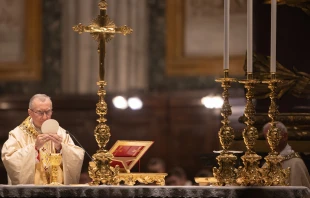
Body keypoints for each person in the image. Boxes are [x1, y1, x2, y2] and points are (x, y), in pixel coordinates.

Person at [1, 94, 85, 185]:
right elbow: (9, 159)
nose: (45, 117)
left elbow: (76, 157)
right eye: (40, 112)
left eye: (48, 112)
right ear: (30, 112)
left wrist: (60, 148)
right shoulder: (17, 134)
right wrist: (34, 148)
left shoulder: (61, 133)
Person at [262, 121, 310, 188]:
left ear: (285, 136)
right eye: (267, 138)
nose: (270, 142)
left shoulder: (296, 164)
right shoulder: (266, 165)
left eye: (273, 136)